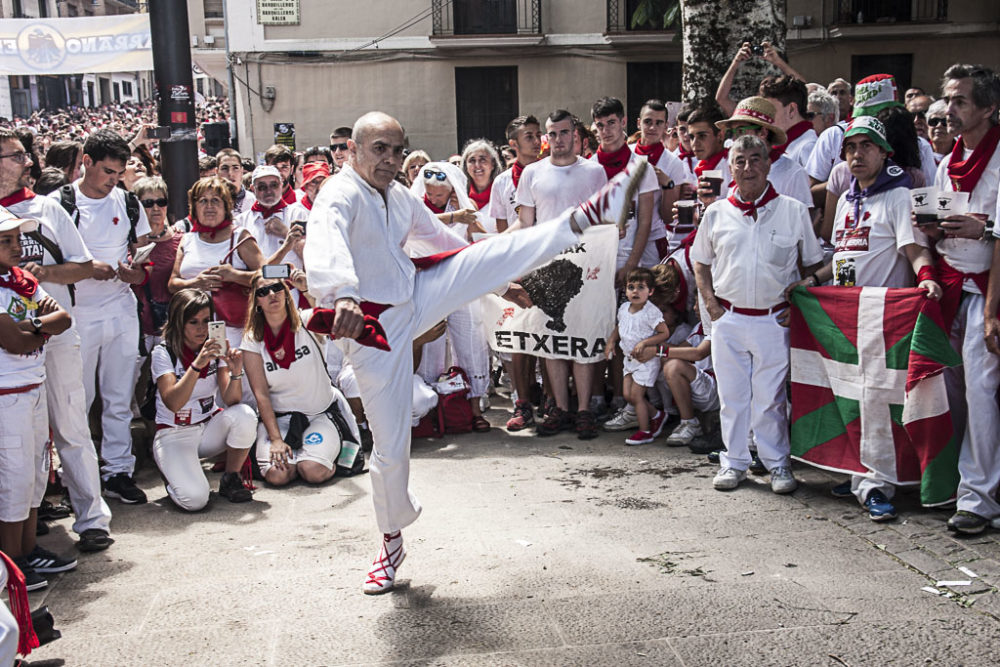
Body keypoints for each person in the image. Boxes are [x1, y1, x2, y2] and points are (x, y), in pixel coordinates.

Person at [303, 110, 644, 594]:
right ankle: (391, 540)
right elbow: (326, 240)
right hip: (373, 325)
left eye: (397, 150)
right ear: (354, 151)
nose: (391, 159)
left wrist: (502, 283)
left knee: (480, 254)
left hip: (415, 295)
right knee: (391, 445)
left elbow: (444, 240)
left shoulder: (400, 197)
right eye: (380, 149)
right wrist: (341, 293)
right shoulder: (338, 194)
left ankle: (578, 221)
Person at [788, 116, 941, 521]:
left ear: (885, 153)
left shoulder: (898, 197)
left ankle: (876, 483)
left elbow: (915, 251)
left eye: (866, 147)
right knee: (846, 397)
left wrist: (926, 279)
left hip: (882, 322)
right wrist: (811, 279)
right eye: (851, 148)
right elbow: (841, 258)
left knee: (876, 402)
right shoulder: (847, 201)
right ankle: (860, 470)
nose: (857, 155)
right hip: (845, 320)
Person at [0, 131, 114, 554]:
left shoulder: (46, 209)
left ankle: (91, 518)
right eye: (15, 156)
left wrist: (39, 276)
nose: (26, 162)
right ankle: (21, 532)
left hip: (55, 334)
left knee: (71, 423)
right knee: (18, 443)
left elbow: (82, 265)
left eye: (24, 155)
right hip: (6, 354)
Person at [691, 134, 825, 494]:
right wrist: (711, 304)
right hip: (729, 319)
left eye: (755, 159)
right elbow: (700, 261)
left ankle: (777, 464)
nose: (748, 168)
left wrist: (799, 305)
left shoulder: (794, 211)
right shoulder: (716, 212)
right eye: (740, 161)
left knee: (770, 399)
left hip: (774, 319)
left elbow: (813, 265)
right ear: (730, 167)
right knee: (732, 398)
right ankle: (734, 462)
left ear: (768, 164)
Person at [49, 128, 152, 504]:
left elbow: (142, 264)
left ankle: (117, 472)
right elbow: (45, 267)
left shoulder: (127, 203)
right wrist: (87, 268)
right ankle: (78, 480)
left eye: (119, 173)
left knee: (119, 397)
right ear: (86, 162)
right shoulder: (57, 204)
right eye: (108, 171)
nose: (113, 180)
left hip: (120, 309)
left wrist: (133, 274)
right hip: (75, 313)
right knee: (78, 399)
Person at [510, 109, 609, 440]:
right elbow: (525, 223)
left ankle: (583, 411)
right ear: (545, 138)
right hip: (544, 266)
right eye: (552, 134)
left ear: (575, 135)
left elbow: (603, 222)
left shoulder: (594, 172)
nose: (558, 140)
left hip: (584, 266)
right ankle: (561, 409)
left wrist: (603, 263)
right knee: (551, 338)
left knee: (581, 337)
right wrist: (499, 250)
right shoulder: (532, 173)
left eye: (564, 133)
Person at [932, 64, 1000, 535]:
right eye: (948, 99)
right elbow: (942, 218)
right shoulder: (947, 159)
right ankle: (958, 482)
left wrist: (986, 228)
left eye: (959, 101)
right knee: (951, 391)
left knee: (980, 393)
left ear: (988, 109)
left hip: (986, 292)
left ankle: (980, 498)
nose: (948, 110)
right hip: (950, 287)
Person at [0, 206, 73, 589]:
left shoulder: (23, 280)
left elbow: (63, 318)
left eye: (17, 239)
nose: (16, 247)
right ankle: (11, 566)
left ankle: (28, 553)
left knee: (34, 477)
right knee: (12, 480)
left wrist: (32, 326)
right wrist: (39, 327)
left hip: (32, 386)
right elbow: (9, 342)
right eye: (5, 240)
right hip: (6, 394)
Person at [242, 272, 361, 486]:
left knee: (313, 471)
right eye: (263, 291)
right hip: (281, 420)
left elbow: (330, 316)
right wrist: (276, 439)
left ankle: (322, 453)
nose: (272, 294)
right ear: (256, 301)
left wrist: (306, 289)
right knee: (278, 476)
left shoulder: (306, 321)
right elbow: (261, 394)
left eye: (277, 288)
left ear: (287, 293)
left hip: (319, 415)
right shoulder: (252, 340)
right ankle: (298, 455)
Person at [150, 289, 256, 511]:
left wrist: (236, 372)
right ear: (179, 323)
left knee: (245, 415)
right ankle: (172, 474)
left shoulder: (215, 348)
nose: (201, 329)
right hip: (174, 432)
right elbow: (173, 402)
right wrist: (198, 364)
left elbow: (231, 399)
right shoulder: (163, 352)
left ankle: (231, 478)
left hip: (208, 426)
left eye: (206, 321)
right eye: (193, 322)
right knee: (195, 501)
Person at [409, 162, 492, 430]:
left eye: (438, 195)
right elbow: (416, 227)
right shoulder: (415, 207)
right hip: (427, 285)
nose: (432, 198)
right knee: (431, 345)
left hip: (461, 283)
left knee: (470, 340)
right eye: (430, 193)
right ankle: (431, 410)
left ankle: (475, 407)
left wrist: (463, 211)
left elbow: (481, 236)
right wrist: (453, 217)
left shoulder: (462, 208)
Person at [168, 176, 264, 351]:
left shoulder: (241, 237)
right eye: (203, 201)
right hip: (190, 331)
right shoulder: (187, 239)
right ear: (194, 207)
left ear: (226, 206)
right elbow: (172, 284)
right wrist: (195, 283)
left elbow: (272, 275)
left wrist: (235, 275)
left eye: (215, 201)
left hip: (233, 331)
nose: (209, 206)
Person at [490, 115, 543, 431]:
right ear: (514, 144)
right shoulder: (502, 182)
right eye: (529, 136)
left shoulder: (549, 171)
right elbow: (501, 231)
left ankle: (550, 402)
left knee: (550, 340)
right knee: (521, 340)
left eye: (538, 135)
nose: (536, 141)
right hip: (519, 269)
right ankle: (522, 403)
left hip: (549, 264)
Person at [604, 267, 669, 445]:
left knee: (637, 396)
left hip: (646, 361)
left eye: (641, 287)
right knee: (628, 395)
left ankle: (644, 431)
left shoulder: (651, 312)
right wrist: (611, 341)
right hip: (629, 359)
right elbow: (620, 326)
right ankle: (657, 415)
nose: (635, 291)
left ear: (650, 291)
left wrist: (645, 343)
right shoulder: (624, 308)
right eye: (631, 287)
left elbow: (664, 333)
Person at [715, 97, 813, 207]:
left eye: (740, 131)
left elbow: (803, 218)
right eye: (732, 132)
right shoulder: (736, 168)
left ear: (763, 133)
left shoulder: (793, 173)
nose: (735, 139)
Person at [633, 99, 691, 256]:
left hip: (652, 240)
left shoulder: (673, 163)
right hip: (624, 238)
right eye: (647, 121)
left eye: (659, 123)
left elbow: (667, 217)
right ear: (639, 123)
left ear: (666, 126)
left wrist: (667, 184)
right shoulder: (626, 154)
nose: (652, 127)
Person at [132, 176, 181, 352]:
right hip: (138, 329)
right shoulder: (126, 242)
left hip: (172, 327)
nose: (156, 208)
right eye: (148, 203)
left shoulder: (181, 240)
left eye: (161, 202)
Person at [240, 165, 309, 268]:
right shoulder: (242, 221)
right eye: (262, 187)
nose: (269, 191)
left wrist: (285, 232)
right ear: (253, 189)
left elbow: (310, 256)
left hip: (292, 282)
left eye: (274, 185)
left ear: (281, 185)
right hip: (258, 282)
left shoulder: (298, 214)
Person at [760, 75, 818, 169]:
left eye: (770, 110)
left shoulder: (808, 146)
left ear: (791, 109)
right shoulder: (781, 142)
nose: (765, 116)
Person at [461, 139, 500, 233]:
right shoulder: (459, 196)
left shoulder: (503, 194)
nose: (477, 165)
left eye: (483, 160)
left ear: (493, 164)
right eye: (472, 160)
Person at [216, 148, 255, 216]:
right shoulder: (210, 201)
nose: (230, 174)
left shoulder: (252, 200)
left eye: (235, 168)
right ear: (217, 172)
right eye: (225, 168)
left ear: (241, 171)